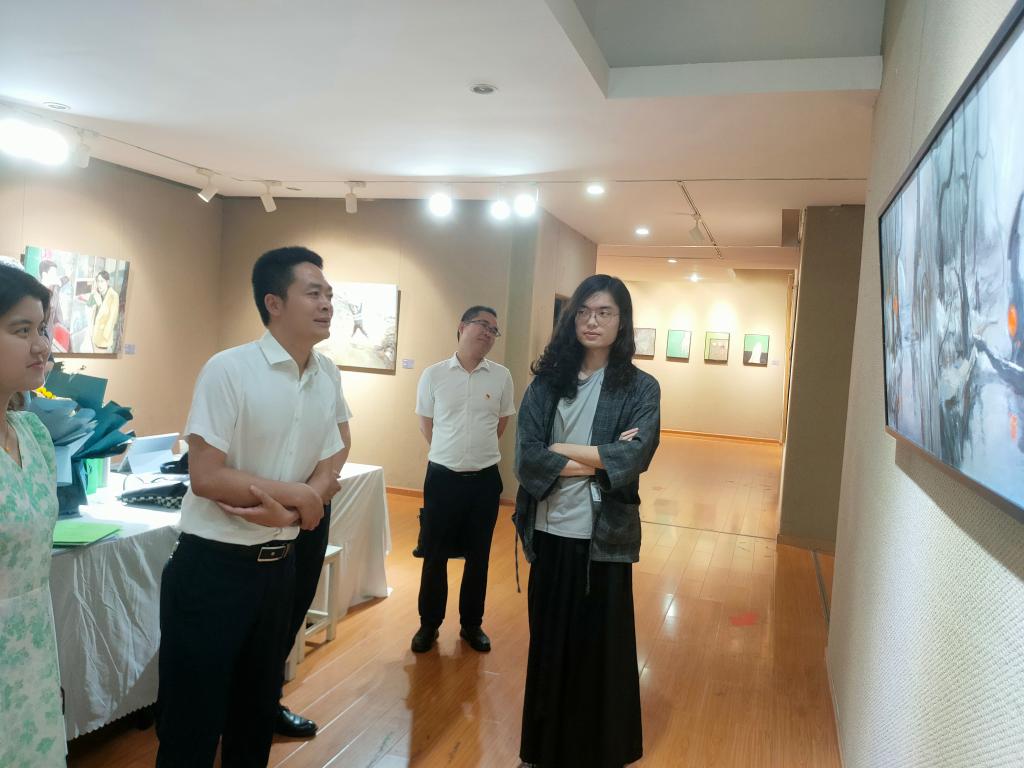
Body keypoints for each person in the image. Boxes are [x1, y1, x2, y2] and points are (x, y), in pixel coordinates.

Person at [155, 246, 346, 767]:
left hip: (279, 570)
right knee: (191, 726)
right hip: (214, 569)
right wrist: (300, 496)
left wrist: (300, 505)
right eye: (313, 293)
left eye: (329, 294)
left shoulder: (325, 374)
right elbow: (206, 476)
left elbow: (333, 456)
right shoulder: (230, 369)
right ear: (273, 303)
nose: (327, 303)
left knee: (254, 719)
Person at [514, 274, 661, 768]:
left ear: (622, 322)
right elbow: (527, 458)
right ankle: (541, 751)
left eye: (604, 313)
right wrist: (599, 457)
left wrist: (560, 449)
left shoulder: (640, 387)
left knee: (602, 648)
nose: (592, 321)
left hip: (605, 537)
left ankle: (600, 750)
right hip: (549, 530)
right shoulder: (547, 382)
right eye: (583, 311)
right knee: (548, 645)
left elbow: (635, 456)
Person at [411, 305, 515, 653]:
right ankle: (429, 624)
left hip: (484, 481)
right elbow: (426, 423)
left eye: (494, 329)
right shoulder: (434, 374)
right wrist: (451, 453)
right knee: (434, 554)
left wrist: (474, 454)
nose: (488, 332)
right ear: (461, 326)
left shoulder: (501, 376)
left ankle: (472, 624)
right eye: (482, 324)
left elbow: (500, 423)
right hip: (442, 479)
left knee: (478, 555)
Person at [0, 263, 66, 766]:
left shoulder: (34, 434)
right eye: (21, 330)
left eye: (41, 328)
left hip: (33, 649)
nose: (42, 345)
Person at [274, 356, 352, 739]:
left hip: (313, 506)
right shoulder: (243, 369)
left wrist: (315, 493)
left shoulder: (327, 370)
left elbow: (342, 438)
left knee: (297, 601)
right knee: (265, 611)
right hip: (270, 504)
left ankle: (267, 701)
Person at [86, 269, 120, 352]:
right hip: (93, 335)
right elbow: (88, 304)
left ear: (107, 282)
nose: (99, 284)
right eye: (98, 281)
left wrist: (100, 305)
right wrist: (93, 292)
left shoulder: (113, 296)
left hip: (103, 339)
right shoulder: (98, 293)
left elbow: (112, 319)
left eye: (102, 281)